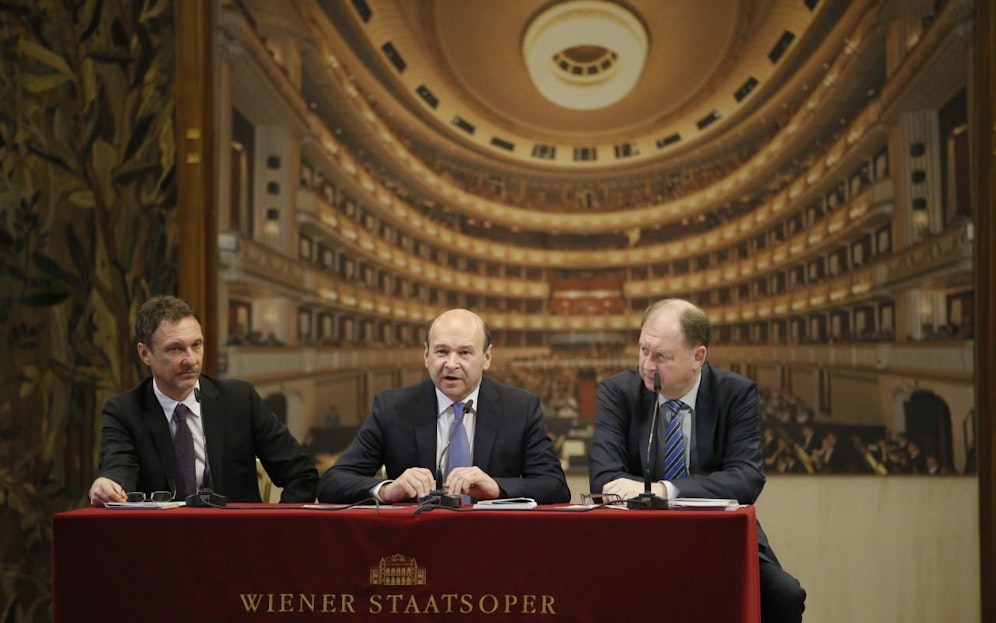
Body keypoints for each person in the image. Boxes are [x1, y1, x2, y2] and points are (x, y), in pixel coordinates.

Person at [588, 299, 806, 623]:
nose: (647, 365)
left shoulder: (735, 394)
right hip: (637, 538)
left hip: (719, 536)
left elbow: (746, 478)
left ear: (698, 356)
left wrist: (664, 490)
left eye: (662, 357)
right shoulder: (617, 392)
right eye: (644, 350)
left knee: (785, 594)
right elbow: (604, 478)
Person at [317, 309, 570, 505]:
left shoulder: (520, 408)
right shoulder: (392, 408)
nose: (451, 364)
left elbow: (554, 486)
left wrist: (498, 488)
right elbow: (333, 482)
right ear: (426, 355)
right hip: (417, 541)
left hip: (493, 539)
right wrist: (386, 489)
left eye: (464, 353)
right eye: (441, 351)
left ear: (487, 358)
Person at [87, 295, 318, 505]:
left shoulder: (240, 399)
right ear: (145, 353)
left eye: (196, 345)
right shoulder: (124, 411)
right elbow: (119, 470)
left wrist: (272, 528)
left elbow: (301, 474)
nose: (191, 360)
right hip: (162, 535)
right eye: (175, 349)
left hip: (235, 533)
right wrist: (108, 485)